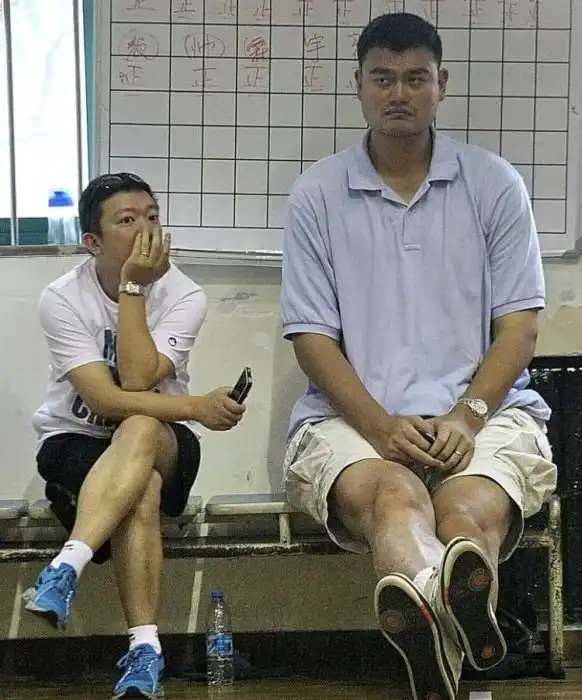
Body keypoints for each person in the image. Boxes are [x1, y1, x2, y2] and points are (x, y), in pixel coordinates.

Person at [280, 12, 557, 700]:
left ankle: (432, 629)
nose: (398, 93)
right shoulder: (318, 194)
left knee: (465, 516)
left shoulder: (495, 184)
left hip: (484, 413)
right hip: (352, 422)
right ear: (358, 85)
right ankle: (456, 630)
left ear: (442, 84)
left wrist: (467, 417)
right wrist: (379, 427)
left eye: (414, 78)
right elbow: (312, 338)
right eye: (383, 78)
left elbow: (519, 330)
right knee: (395, 497)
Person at [24, 172, 246, 700]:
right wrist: (197, 406)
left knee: (142, 425)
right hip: (77, 438)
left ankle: (66, 567)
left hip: (163, 439)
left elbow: (140, 377)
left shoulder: (184, 293)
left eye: (152, 216)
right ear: (92, 241)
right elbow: (106, 398)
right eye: (127, 221)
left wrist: (134, 289)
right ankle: (146, 649)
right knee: (140, 487)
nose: (146, 230)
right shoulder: (62, 298)